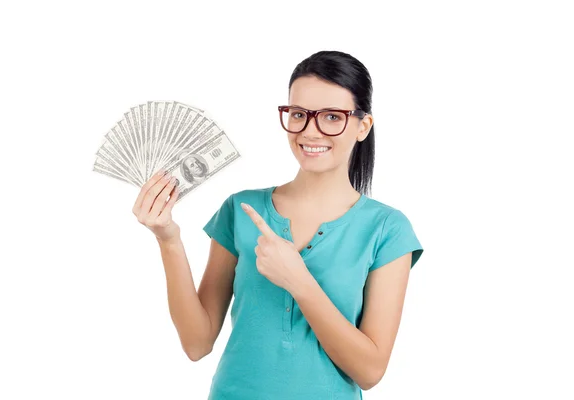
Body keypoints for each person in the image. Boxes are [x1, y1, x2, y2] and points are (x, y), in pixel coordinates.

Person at [131, 50, 424, 400]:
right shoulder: (241, 209)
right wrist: (168, 240)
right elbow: (197, 343)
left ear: (363, 126)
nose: (310, 131)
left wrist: (299, 282)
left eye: (332, 116)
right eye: (299, 114)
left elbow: (370, 370)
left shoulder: (387, 229)